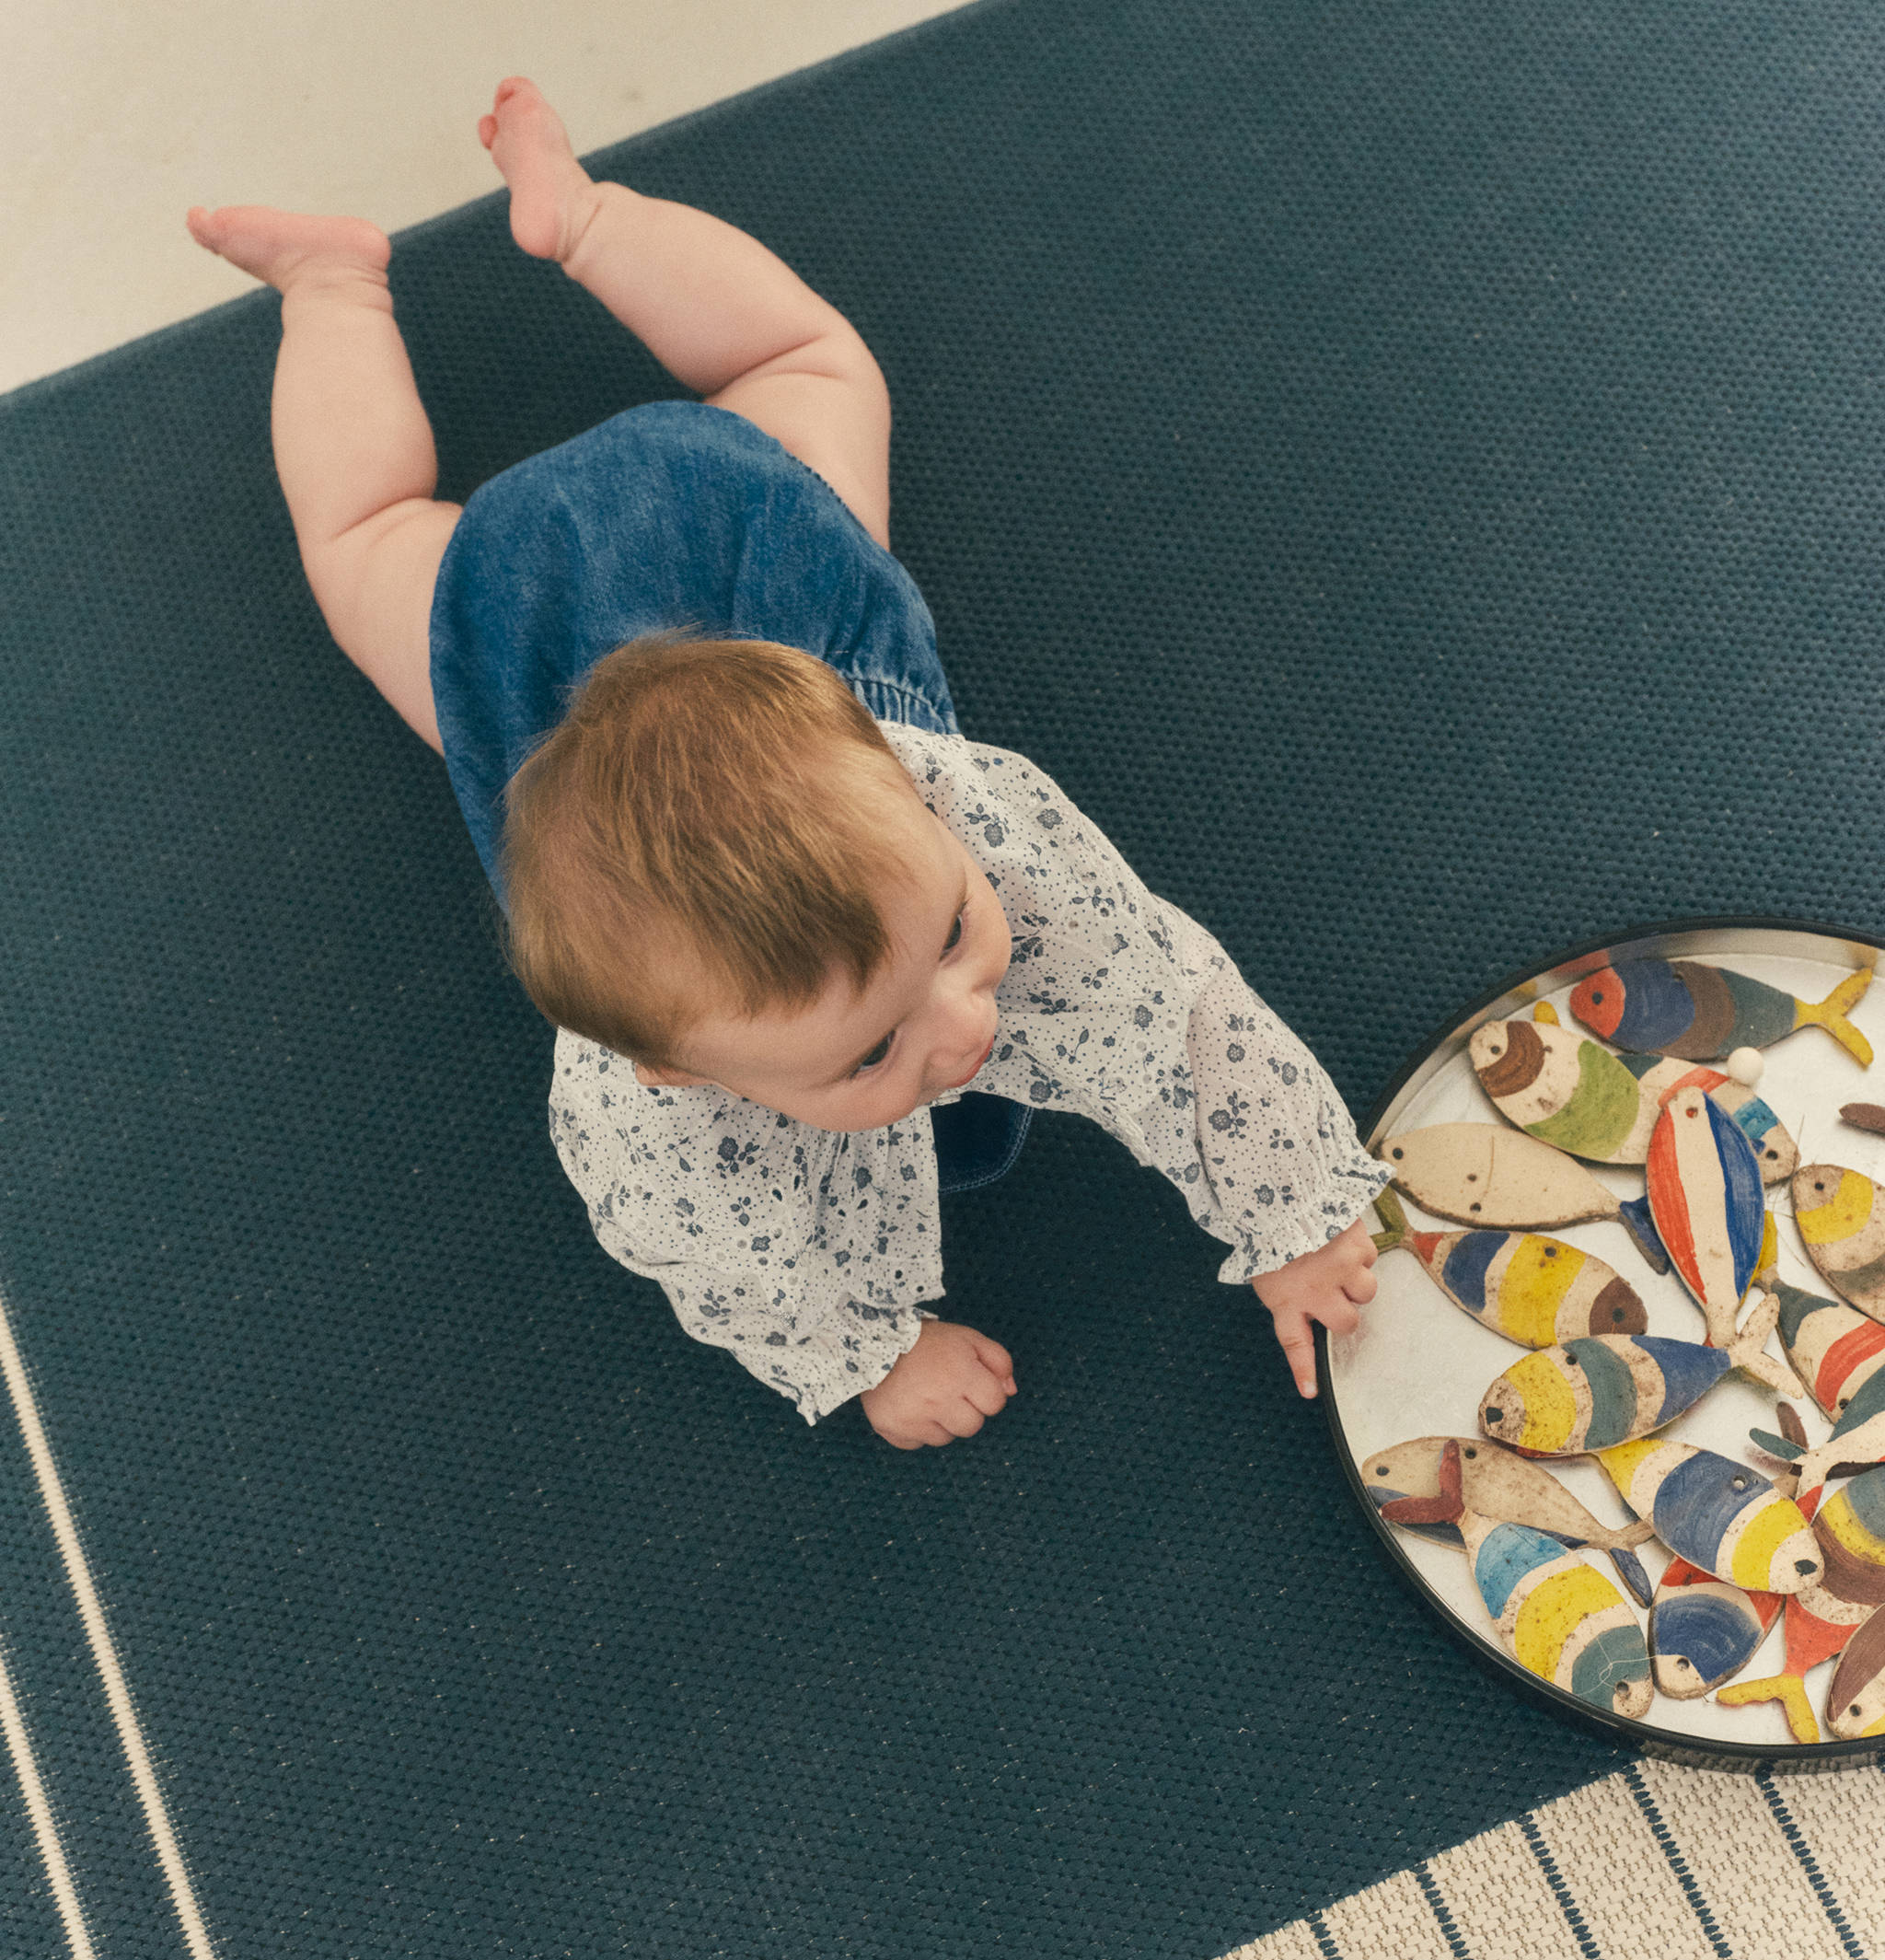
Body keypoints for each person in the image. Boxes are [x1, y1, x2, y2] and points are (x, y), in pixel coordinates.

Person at [187, 76, 1387, 1448]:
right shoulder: (644, 1112)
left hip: (739, 529)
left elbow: (1172, 1007)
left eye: (953, 934)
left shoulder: (961, 820)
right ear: (680, 1075)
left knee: (808, 365)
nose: (968, 1025)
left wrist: (1291, 1212)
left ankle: (584, 216)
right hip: (523, 608)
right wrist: (870, 1347)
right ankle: (330, 289)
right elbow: (718, 1253)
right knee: (364, 538)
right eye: (871, 1050)